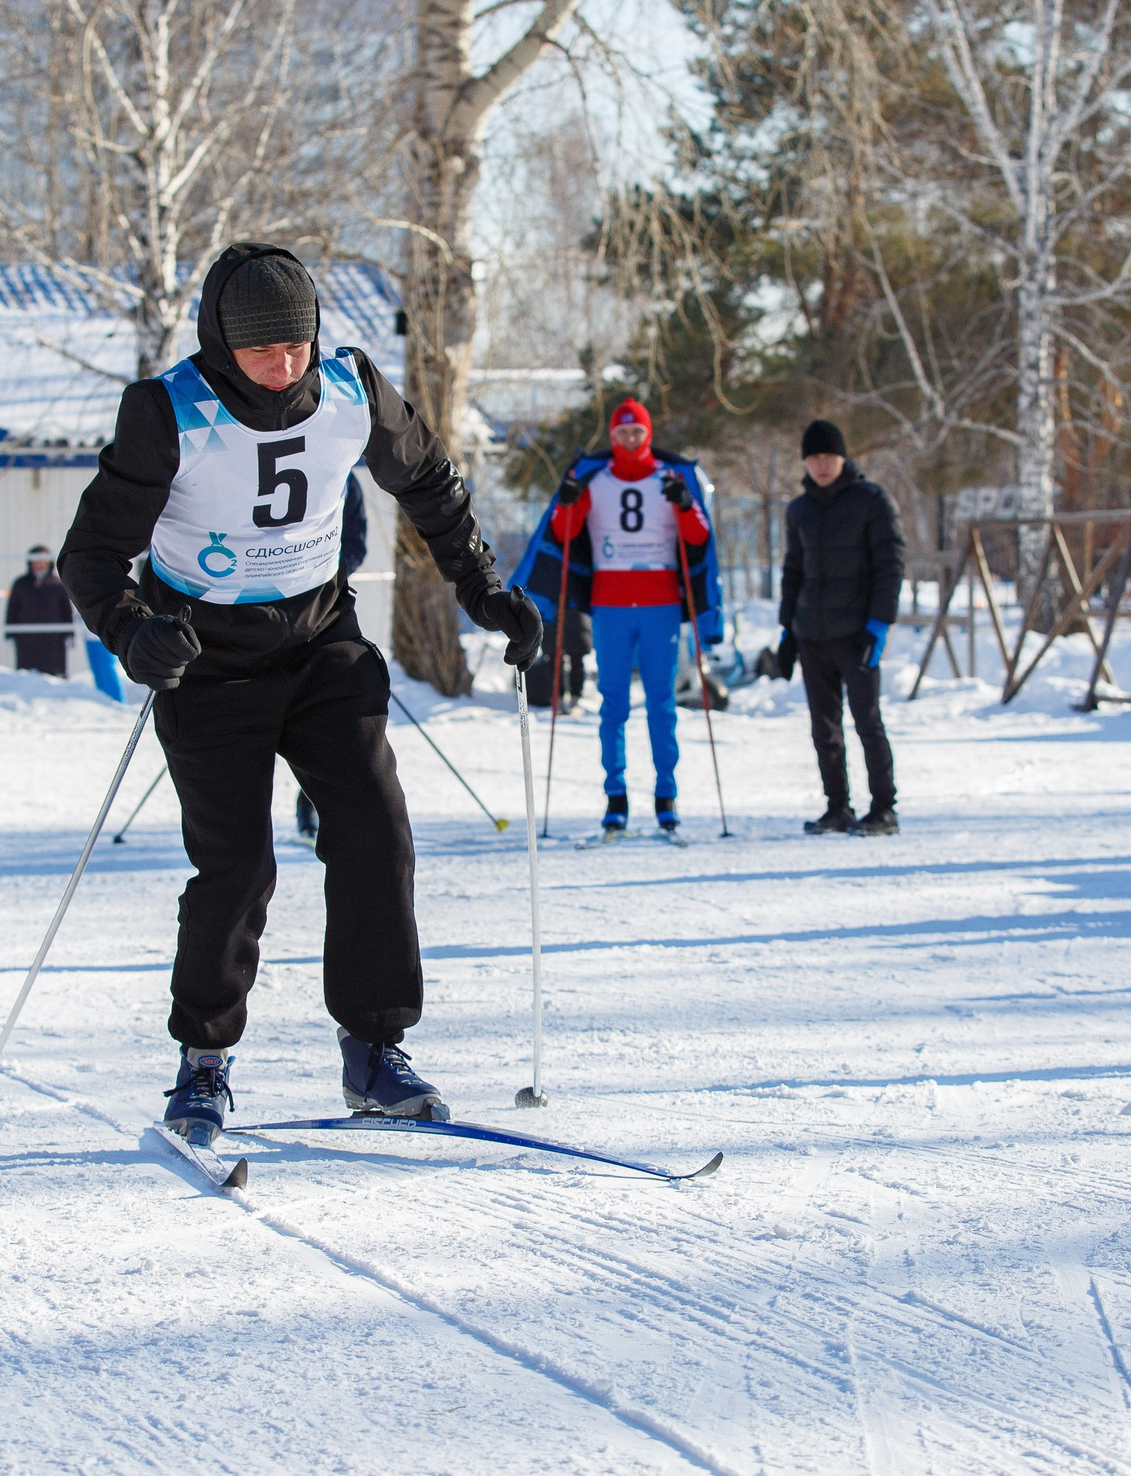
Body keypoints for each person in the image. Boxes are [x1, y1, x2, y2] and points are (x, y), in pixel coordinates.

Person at [58, 243, 541, 1145]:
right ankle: (204, 1059)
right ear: (220, 343)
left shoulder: (353, 389)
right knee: (239, 867)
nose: (284, 368)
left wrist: (481, 587)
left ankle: (375, 1047)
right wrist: (131, 629)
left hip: (321, 641)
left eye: (296, 347)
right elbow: (88, 553)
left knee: (376, 829)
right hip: (206, 659)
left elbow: (430, 482)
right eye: (261, 352)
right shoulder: (168, 412)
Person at [509, 398, 721, 836]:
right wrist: (567, 501)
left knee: (662, 702)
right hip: (610, 605)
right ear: (612, 435)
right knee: (613, 705)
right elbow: (563, 532)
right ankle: (616, 796)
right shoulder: (595, 479)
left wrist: (685, 503)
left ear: (648, 434)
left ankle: (666, 794)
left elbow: (700, 536)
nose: (629, 439)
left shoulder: (669, 479)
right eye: (622, 432)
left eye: (637, 431)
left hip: (661, 603)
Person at [776, 419, 906, 836]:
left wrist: (879, 623)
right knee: (824, 728)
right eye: (813, 458)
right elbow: (793, 572)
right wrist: (787, 631)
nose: (821, 465)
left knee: (867, 721)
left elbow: (890, 565)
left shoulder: (871, 501)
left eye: (828, 456)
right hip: (812, 635)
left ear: (843, 458)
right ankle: (837, 807)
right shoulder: (799, 510)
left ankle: (883, 809)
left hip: (856, 633)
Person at [295, 469, 370, 846]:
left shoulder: (344, 477)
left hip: (322, 614)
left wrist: (326, 576)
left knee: (325, 729)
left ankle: (312, 811)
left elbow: (356, 543)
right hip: (258, 615)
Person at [6, 544, 75, 675]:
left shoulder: (58, 584)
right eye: (36, 560)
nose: (39, 564)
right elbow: (12, 609)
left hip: (53, 642)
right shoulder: (20, 584)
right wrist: (10, 634)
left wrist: (69, 634)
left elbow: (66, 611)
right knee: (27, 675)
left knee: (53, 674)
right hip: (27, 641)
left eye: (42, 560)